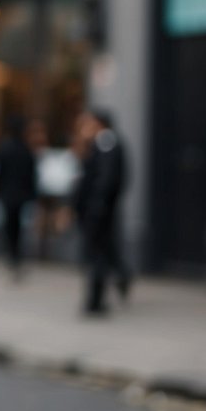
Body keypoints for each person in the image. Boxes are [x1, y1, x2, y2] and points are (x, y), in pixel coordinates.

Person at [73, 109, 131, 314]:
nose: (84, 127)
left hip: (98, 210)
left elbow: (105, 179)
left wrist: (97, 205)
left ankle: (95, 301)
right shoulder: (98, 144)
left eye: (88, 123)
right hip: (97, 208)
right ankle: (123, 275)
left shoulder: (107, 143)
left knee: (96, 253)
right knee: (105, 249)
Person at [0, 115, 38, 277]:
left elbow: (0, 173)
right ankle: (15, 256)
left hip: (8, 194)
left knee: (10, 226)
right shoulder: (25, 149)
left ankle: (12, 255)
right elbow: (31, 175)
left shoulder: (5, 148)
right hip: (20, 195)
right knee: (17, 227)